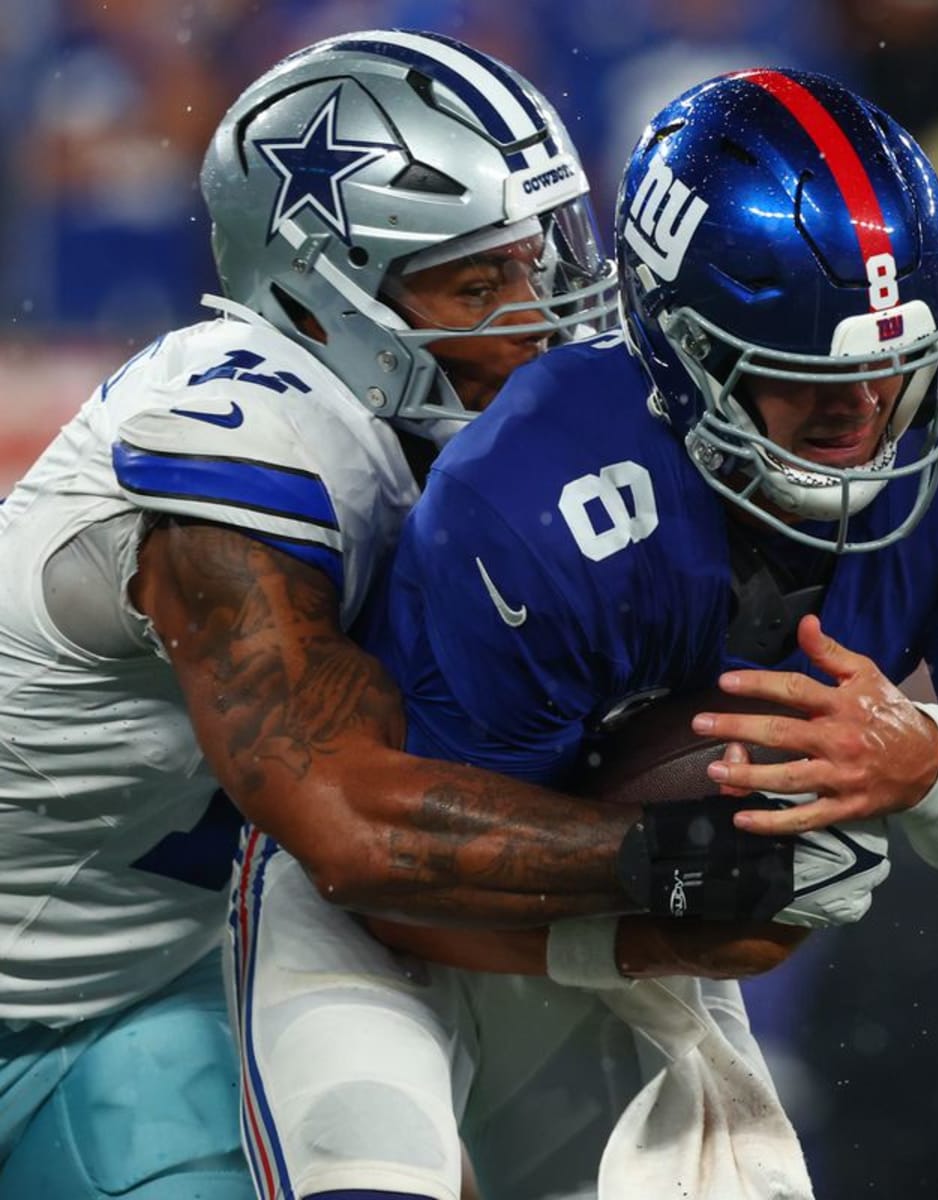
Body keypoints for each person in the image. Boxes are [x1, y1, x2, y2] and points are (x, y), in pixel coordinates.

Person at [230, 67, 938, 1200]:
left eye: (896, 372)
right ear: (683, 356)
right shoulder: (545, 501)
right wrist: (665, 888)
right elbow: (392, 878)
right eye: (808, 385)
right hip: (400, 909)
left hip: (639, 918)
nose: (863, 418)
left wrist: (927, 758)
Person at [0, 28, 625, 1199]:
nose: (535, 316)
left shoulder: (437, 456)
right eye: (478, 281)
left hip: (133, 1019)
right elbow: (350, 826)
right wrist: (670, 861)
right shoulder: (247, 435)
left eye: (539, 262)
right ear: (322, 295)